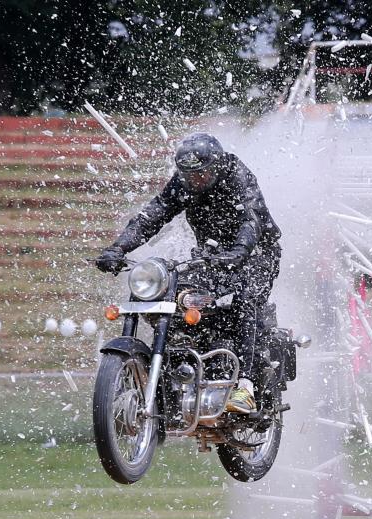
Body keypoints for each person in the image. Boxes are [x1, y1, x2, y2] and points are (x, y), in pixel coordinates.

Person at [94, 132, 281, 414]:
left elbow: (250, 219)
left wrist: (239, 251)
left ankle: (246, 386)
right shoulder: (183, 183)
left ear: (216, 165)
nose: (196, 180)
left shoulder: (236, 175)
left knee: (245, 299)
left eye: (202, 173)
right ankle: (183, 360)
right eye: (189, 175)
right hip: (211, 254)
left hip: (257, 253)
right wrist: (118, 248)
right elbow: (153, 215)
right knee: (177, 294)